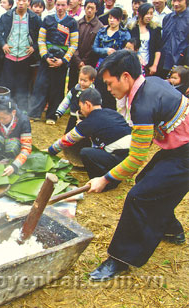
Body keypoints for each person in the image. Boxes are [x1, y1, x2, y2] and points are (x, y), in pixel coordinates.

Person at [87, 50, 189, 281]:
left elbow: (135, 158)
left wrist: (105, 179)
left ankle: (120, 260)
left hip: (184, 155)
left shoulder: (142, 104)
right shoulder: (150, 82)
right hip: (178, 149)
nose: (109, 89)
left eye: (110, 83)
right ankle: (172, 230)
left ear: (125, 77)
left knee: (138, 196)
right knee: (147, 183)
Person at [49, 88, 131, 191]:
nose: (80, 110)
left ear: (87, 104)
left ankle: (105, 183)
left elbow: (67, 140)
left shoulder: (90, 121)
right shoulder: (111, 112)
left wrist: (49, 151)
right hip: (129, 159)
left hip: (117, 158)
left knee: (86, 152)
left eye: (81, 106)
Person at [29, 0, 78, 124]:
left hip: (61, 60)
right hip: (46, 58)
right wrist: (45, 56)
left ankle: (52, 115)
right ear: (55, 5)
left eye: (63, 5)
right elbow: (41, 40)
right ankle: (35, 113)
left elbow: (74, 44)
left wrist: (63, 60)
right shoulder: (47, 20)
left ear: (67, 6)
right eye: (58, 5)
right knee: (40, 86)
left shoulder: (72, 23)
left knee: (57, 88)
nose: (60, 8)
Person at [0, 0, 41, 113]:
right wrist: (3, 44)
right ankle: (4, 108)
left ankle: (21, 110)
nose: (21, 3)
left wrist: (34, 47)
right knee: (7, 84)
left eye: (24, 0)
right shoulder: (7, 16)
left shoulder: (34, 18)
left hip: (25, 57)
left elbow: (42, 35)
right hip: (9, 56)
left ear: (28, 2)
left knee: (23, 85)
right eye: (19, 0)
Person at [93, 7, 130, 110]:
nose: (112, 20)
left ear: (120, 19)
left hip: (116, 67)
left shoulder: (125, 33)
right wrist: (105, 50)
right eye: (110, 18)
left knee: (112, 92)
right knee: (100, 90)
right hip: (101, 65)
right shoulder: (102, 31)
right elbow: (95, 48)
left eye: (114, 18)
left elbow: (128, 50)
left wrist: (116, 53)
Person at [68, 0, 103, 90]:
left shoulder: (100, 27)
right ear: (84, 8)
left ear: (96, 10)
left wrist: (84, 62)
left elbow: (94, 47)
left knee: (86, 90)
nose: (89, 10)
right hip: (75, 62)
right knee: (72, 89)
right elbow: (72, 42)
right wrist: (78, 61)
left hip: (90, 63)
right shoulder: (77, 23)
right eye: (88, 7)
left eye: (92, 8)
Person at [55, 65, 97, 133]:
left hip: (86, 119)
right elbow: (67, 100)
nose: (82, 83)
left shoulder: (93, 93)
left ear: (92, 80)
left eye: (85, 81)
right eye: (80, 79)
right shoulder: (74, 90)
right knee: (69, 133)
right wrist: (60, 111)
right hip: (73, 117)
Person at [128, 3, 162, 76]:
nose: (149, 16)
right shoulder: (131, 29)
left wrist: (154, 65)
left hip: (149, 64)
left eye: (151, 13)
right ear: (140, 14)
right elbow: (129, 47)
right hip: (134, 63)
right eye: (146, 14)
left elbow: (158, 49)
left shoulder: (155, 29)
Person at [159, 0, 189, 79]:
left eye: (179, 1)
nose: (176, 4)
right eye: (174, 0)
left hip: (181, 65)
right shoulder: (167, 18)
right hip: (163, 62)